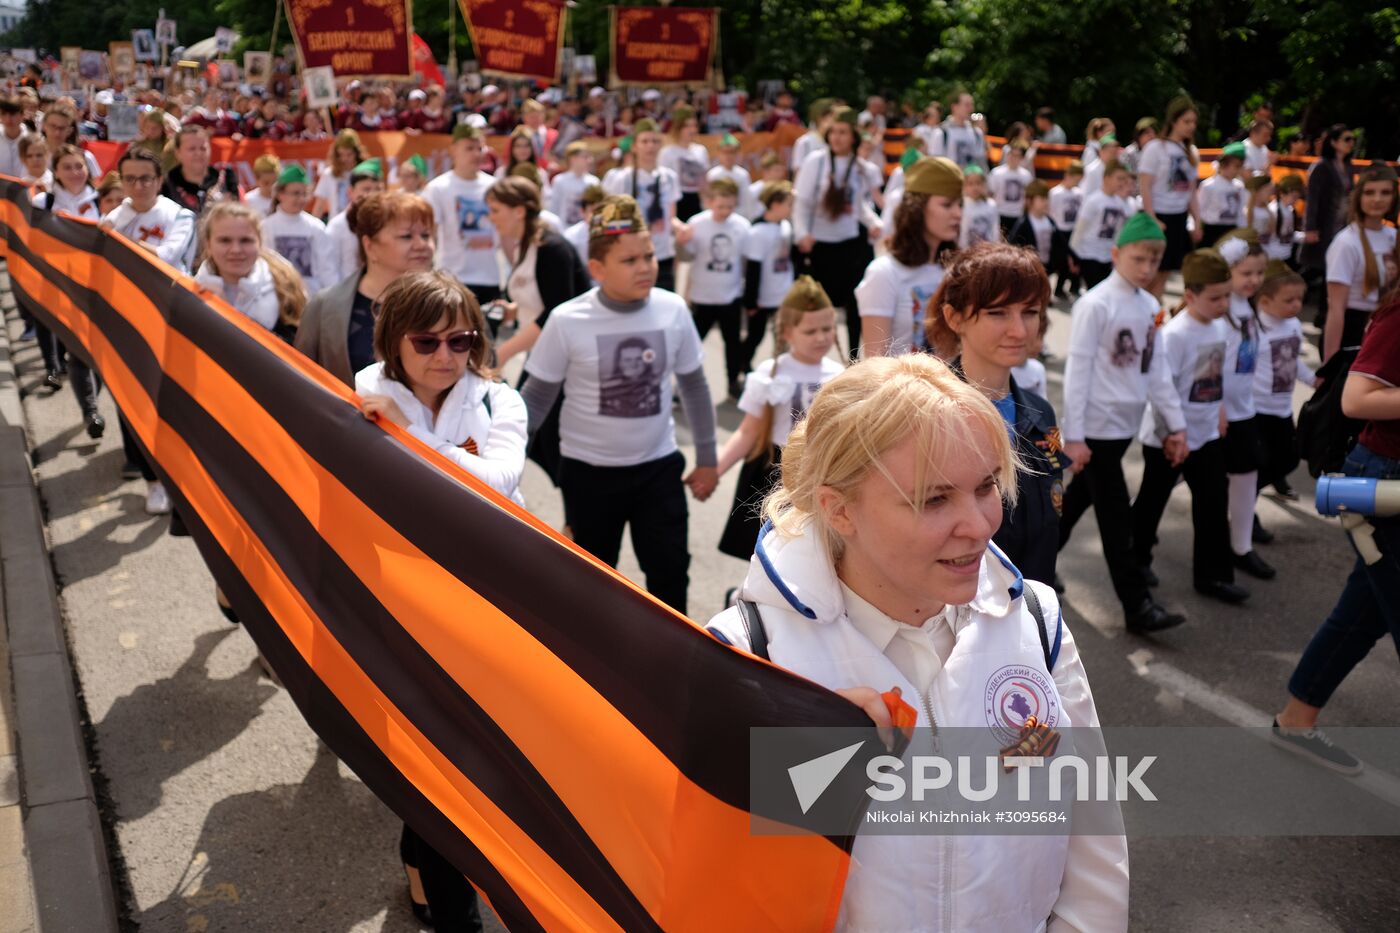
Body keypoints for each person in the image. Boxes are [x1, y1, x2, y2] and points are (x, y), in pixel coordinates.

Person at [705, 352, 1128, 932]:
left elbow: (1093, 845)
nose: (979, 524)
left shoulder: (1035, 617)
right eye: (934, 499)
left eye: (985, 488)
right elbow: (717, 890)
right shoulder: (746, 658)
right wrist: (810, 779)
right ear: (839, 509)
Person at [356, 270, 525, 933]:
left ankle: (424, 869)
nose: (445, 356)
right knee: (431, 769)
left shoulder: (497, 401)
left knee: (470, 765)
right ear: (393, 341)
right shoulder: (362, 394)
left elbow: (496, 481)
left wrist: (405, 436)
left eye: (461, 339)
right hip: (396, 608)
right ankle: (454, 915)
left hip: (482, 608)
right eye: (425, 340)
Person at [520, 195, 718, 614]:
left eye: (648, 255)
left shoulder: (673, 309)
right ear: (597, 269)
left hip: (658, 469)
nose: (645, 266)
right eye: (629, 260)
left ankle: (674, 661)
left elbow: (696, 387)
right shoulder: (567, 320)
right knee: (591, 579)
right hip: (589, 475)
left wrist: (707, 458)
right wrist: (504, 462)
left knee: (668, 573)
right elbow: (536, 399)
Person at [1272, 287, 1400, 774]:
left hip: (1384, 485)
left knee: (1363, 614)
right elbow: (1356, 397)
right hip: (1384, 485)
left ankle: (1296, 721)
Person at [1058, 212, 1189, 632]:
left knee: (1078, 500)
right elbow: (1077, 371)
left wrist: (1176, 425)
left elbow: (1157, 371)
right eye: (1138, 258)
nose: (1147, 268)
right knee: (1116, 520)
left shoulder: (1150, 305)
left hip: (1123, 427)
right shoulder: (1095, 303)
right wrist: (1073, 437)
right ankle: (1137, 606)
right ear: (1116, 254)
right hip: (1094, 430)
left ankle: (1032, 560)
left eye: (1154, 260)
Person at [926, 242, 1069, 586]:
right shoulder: (928, 416)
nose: (1019, 330)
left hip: (1031, 612)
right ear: (954, 317)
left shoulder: (1040, 410)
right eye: (997, 313)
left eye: (1030, 312)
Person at [1131, 248, 1246, 603]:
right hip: (1168, 436)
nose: (1224, 304)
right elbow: (1161, 387)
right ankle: (1136, 562)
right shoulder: (1174, 334)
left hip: (1206, 432)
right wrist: (1170, 435)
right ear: (1190, 295)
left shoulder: (1219, 327)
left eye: (1227, 295)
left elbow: (1216, 376)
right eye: (1215, 298)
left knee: (1213, 502)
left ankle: (1212, 575)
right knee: (1152, 502)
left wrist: (1221, 411)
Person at [716, 277, 843, 560]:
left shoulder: (839, 375)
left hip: (820, 471)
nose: (821, 337)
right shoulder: (770, 373)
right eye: (810, 331)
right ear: (787, 333)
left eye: (827, 328)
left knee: (812, 547)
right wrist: (714, 471)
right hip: (772, 470)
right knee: (767, 545)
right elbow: (748, 432)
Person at [100, 148, 198, 514]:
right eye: (130, 179)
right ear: (121, 181)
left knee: (172, 402)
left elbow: (167, 256)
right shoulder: (115, 216)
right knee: (132, 399)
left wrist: (118, 241)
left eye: (146, 178)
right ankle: (152, 480)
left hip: (172, 322)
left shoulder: (180, 216)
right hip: (127, 321)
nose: (138, 186)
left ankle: (176, 470)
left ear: (159, 181)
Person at [295, 192, 436, 387]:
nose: (422, 245)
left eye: (426, 235)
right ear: (369, 246)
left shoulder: (453, 303)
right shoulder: (324, 307)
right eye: (406, 236)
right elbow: (300, 384)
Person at [1209, 229, 1274, 581]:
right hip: (1219, 411)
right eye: (1246, 273)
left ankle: (1241, 546)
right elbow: (1211, 364)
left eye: (1259, 273)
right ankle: (1136, 527)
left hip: (1244, 408)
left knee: (1247, 473)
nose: (1254, 280)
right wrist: (1216, 406)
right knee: (1174, 476)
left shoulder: (1248, 308)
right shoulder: (1221, 312)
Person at [793, 106, 882, 355]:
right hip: (821, 244)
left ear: (853, 136)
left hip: (851, 243)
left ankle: (853, 357)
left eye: (843, 132)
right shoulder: (817, 162)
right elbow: (802, 201)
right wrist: (802, 233)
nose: (837, 138)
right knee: (820, 307)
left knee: (856, 305)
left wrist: (874, 222)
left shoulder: (860, 166)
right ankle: (815, 356)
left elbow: (859, 204)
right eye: (833, 132)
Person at [856, 157, 962, 357]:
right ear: (918, 209)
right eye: (947, 205)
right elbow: (875, 363)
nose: (958, 213)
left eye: (960, 205)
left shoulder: (956, 271)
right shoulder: (884, 273)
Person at [485, 176, 592, 369]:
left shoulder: (551, 249)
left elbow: (556, 311)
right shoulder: (525, 245)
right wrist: (515, 311)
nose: (491, 217)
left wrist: (504, 352)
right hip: (543, 353)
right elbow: (544, 297)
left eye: (495, 210)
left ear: (519, 211)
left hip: (566, 359)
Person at [193, 201, 306, 340]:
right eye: (225, 240)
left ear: (259, 242)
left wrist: (228, 314)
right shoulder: (190, 293)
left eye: (245, 240)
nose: (236, 250)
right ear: (208, 244)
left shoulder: (286, 290)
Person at [683, 176, 753, 398]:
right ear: (710, 201)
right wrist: (681, 241)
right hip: (702, 297)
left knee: (732, 344)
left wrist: (748, 293)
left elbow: (746, 262)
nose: (725, 211)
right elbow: (686, 256)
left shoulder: (742, 226)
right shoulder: (697, 223)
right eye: (720, 206)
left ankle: (733, 382)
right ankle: (682, 386)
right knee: (691, 347)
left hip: (730, 296)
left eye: (730, 207)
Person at [1253, 261, 1316, 501]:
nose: (1297, 305)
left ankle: (1272, 479)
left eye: (1299, 299)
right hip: (1257, 408)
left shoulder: (1293, 325)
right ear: (1265, 301)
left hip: (1281, 406)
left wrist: (1311, 378)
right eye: (1289, 300)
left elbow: (1292, 360)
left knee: (1289, 457)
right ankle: (1247, 498)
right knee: (1262, 461)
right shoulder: (1255, 329)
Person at [1322, 164, 1397, 362]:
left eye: (1385, 192)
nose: (1377, 199)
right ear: (1359, 197)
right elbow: (1336, 308)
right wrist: (1329, 363)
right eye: (1370, 192)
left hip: (1386, 330)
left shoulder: (1394, 237)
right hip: (1354, 332)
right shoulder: (1346, 242)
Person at [601, 118, 687, 292]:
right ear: (635, 146)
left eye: (655, 141)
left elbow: (671, 216)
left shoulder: (669, 177)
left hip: (662, 254)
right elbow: (609, 218)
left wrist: (680, 228)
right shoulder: (621, 178)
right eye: (645, 141)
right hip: (631, 254)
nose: (650, 146)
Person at [422, 123, 503, 305]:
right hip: (452, 279)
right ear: (453, 150)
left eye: (479, 148)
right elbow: (430, 234)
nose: (476, 154)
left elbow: (505, 235)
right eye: (469, 148)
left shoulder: (495, 187)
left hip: (489, 278)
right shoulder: (438, 188)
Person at [1137, 96, 1202, 298]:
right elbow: (1145, 186)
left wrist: (1197, 221)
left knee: (1165, 273)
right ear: (1173, 121)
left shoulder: (1191, 152)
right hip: (1157, 217)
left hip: (1178, 217)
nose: (1191, 126)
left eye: (1194, 122)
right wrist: (1152, 217)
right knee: (1149, 273)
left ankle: (1155, 317)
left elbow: (1191, 191)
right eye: (1186, 121)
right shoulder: (1156, 148)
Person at [740, 181, 796, 373]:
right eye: (789, 204)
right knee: (756, 335)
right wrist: (751, 301)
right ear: (775, 204)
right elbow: (752, 269)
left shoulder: (786, 226)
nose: (791, 209)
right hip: (763, 296)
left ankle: (780, 371)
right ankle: (743, 364)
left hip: (784, 294)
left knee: (784, 337)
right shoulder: (757, 232)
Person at [1299, 124, 1356, 307]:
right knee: (1320, 267)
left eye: (1352, 139)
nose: (1351, 143)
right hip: (1324, 225)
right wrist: (1310, 228)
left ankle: (1324, 310)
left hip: (1342, 224)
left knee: (1332, 267)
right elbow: (1312, 199)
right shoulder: (1321, 166)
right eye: (1347, 139)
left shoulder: (1347, 166)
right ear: (1333, 142)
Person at [261, 164, 335, 297]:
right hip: (277, 296)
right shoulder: (266, 226)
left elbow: (327, 268)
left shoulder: (316, 227)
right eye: (295, 193)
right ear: (280, 195)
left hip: (311, 299)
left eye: (304, 194)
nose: (301, 199)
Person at [1069, 161, 1133, 288]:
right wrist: (1072, 255)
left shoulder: (1120, 203)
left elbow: (1119, 233)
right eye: (1119, 178)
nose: (1122, 183)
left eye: (1124, 179)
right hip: (1089, 255)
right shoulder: (1093, 200)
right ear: (1107, 178)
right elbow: (1080, 229)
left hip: (1108, 257)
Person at [324, 159, 386, 285]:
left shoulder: (387, 223)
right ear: (350, 192)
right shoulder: (337, 226)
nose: (372, 195)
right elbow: (329, 268)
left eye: (378, 189)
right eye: (366, 189)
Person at [161, 125, 239, 214]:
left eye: (203, 148)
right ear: (178, 153)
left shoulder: (226, 178)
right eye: (192, 149)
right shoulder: (166, 185)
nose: (198, 153)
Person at [659, 105, 710, 221]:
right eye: (687, 126)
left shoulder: (700, 150)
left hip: (697, 200)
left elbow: (704, 181)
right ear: (678, 128)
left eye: (694, 126)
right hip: (677, 201)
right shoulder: (667, 153)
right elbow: (663, 183)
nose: (692, 130)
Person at [1198, 143, 1247, 246]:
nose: (1238, 170)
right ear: (1224, 165)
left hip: (1232, 229)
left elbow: (1241, 211)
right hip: (1212, 229)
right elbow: (1200, 209)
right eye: (1236, 166)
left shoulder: (1239, 186)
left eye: (1240, 166)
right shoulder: (1208, 185)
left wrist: (1243, 230)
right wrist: (1197, 228)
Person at [310, 129, 365, 219]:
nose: (345, 159)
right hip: (336, 228)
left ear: (357, 153)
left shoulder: (365, 173)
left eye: (349, 154)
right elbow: (319, 206)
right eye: (341, 155)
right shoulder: (329, 174)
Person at [1050, 161, 1085, 298]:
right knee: (1062, 262)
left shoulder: (1079, 193)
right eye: (1076, 178)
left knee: (1076, 259)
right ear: (1068, 175)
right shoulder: (1055, 193)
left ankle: (1074, 286)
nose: (1077, 182)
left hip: (1074, 230)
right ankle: (1058, 289)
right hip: (1060, 231)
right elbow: (1051, 212)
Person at [929, 90, 987, 170]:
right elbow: (935, 164)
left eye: (972, 105)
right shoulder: (941, 133)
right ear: (955, 107)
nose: (971, 109)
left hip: (971, 181)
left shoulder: (976, 133)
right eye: (967, 105)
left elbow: (981, 164)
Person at [547, 141, 600, 227]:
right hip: (564, 231)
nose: (590, 160)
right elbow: (554, 208)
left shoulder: (594, 182)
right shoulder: (559, 180)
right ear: (573, 158)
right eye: (585, 157)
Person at [1008, 180, 1056, 272]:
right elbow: (1013, 247)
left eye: (1047, 198)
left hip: (1046, 266)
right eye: (1042, 199)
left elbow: (1061, 243)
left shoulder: (1049, 221)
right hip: (1030, 269)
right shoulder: (1023, 223)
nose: (1046, 202)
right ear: (1029, 200)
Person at [987, 140, 1032, 235]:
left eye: (1017, 156)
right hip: (999, 214)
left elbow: (1029, 198)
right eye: (1011, 154)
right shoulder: (996, 173)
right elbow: (989, 194)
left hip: (1018, 216)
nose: (1013, 158)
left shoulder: (1026, 176)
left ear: (1022, 158)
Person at [706, 133, 753, 218]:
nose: (728, 156)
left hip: (738, 216)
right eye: (725, 152)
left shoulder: (743, 175)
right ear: (719, 153)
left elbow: (746, 200)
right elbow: (709, 198)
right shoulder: (712, 174)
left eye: (732, 152)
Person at [958, 164, 999, 249]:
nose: (975, 187)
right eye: (970, 184)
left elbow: (995, 231)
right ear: (964, 186)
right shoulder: (960, 205)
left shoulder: (991, 205)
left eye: (978, 183)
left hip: (987, 251)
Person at [790, 98, 836, 174]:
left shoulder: (834, 142)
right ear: (821, 118)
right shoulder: (804, 142)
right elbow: (798, 172)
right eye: (833, 116)